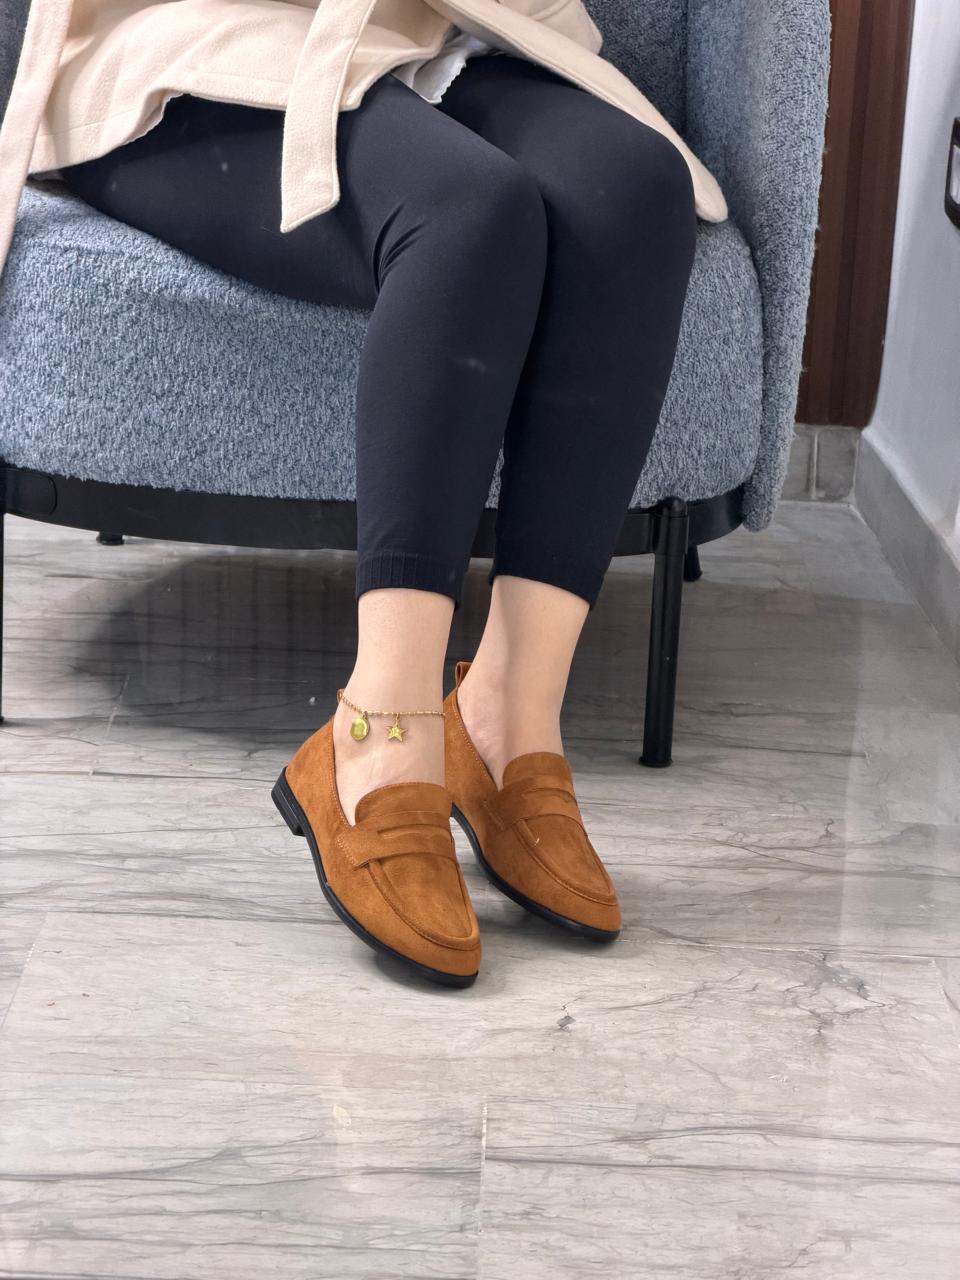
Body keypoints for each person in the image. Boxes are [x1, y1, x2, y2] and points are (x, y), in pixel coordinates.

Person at [28, 8, 724, 988]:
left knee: (633, 187)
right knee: (469, 211)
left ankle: (511, 716)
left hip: (425, 30)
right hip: (188, 44)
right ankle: (379, 730)